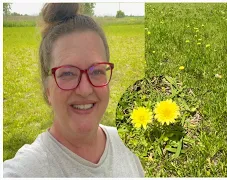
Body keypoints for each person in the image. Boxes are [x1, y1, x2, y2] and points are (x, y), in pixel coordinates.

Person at [3, 3, 144, 178]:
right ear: (47, 89)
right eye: (68, 73)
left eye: (97, 71)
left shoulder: (126, 143)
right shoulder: (27, 170)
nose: (84, 90)